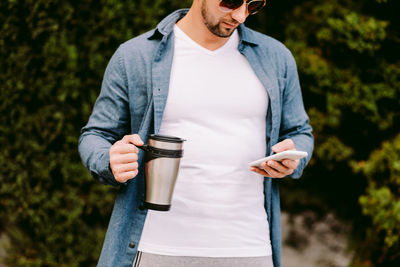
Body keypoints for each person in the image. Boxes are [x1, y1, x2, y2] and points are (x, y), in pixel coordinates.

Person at [78, 0, 313, 266]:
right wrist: (109, 159)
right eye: (231, 2)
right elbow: (96, 135)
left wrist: (293, 158)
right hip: (157, 246)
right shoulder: (135, 56)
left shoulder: (277, 58)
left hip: (249, 247)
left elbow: (300, 131)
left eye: (254, 5)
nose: (240, 15)